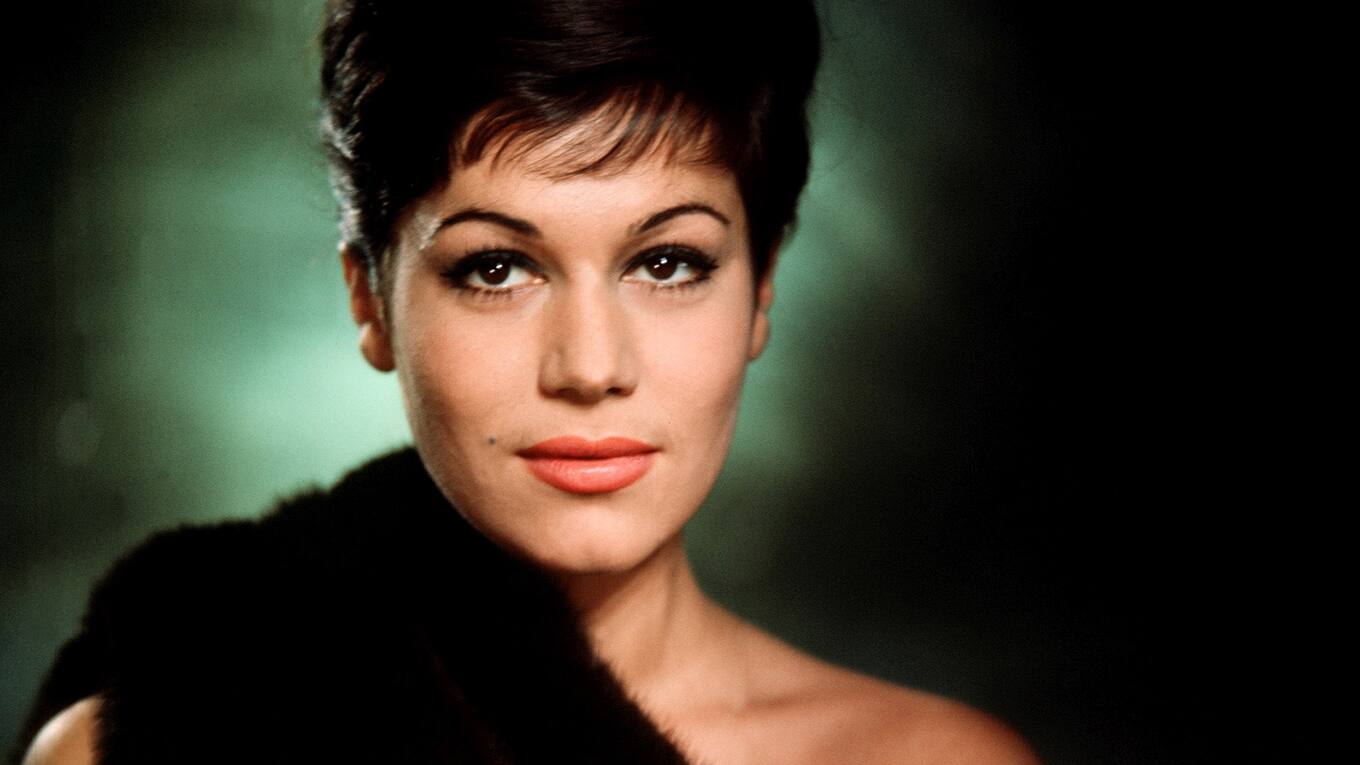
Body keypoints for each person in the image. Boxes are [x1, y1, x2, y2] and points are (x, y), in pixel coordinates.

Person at [18, 1, 1038, 762]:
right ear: (370, 300)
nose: (590, 367)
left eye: (667, 262)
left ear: (761, 286)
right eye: (496, 268)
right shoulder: (150, 736)